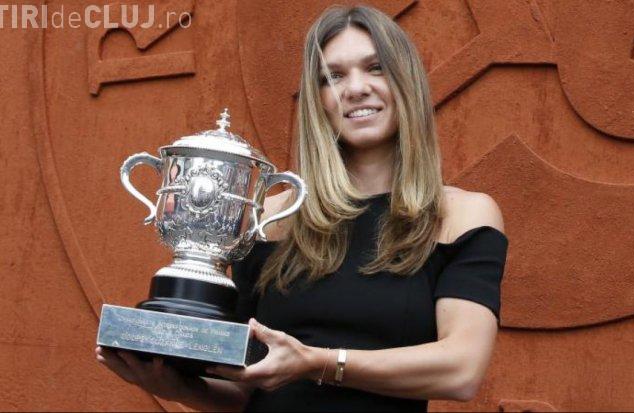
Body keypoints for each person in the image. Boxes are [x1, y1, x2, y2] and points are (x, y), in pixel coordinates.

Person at [96, 5, 508, 412]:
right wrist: (176, 387)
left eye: (375, 68)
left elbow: (462, 370)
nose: (356, 88)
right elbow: (246, 385)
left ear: (407, 82)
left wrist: (316, 363)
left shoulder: (460, 218)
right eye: (333, 77)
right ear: (318, 100)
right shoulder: (271, 220)